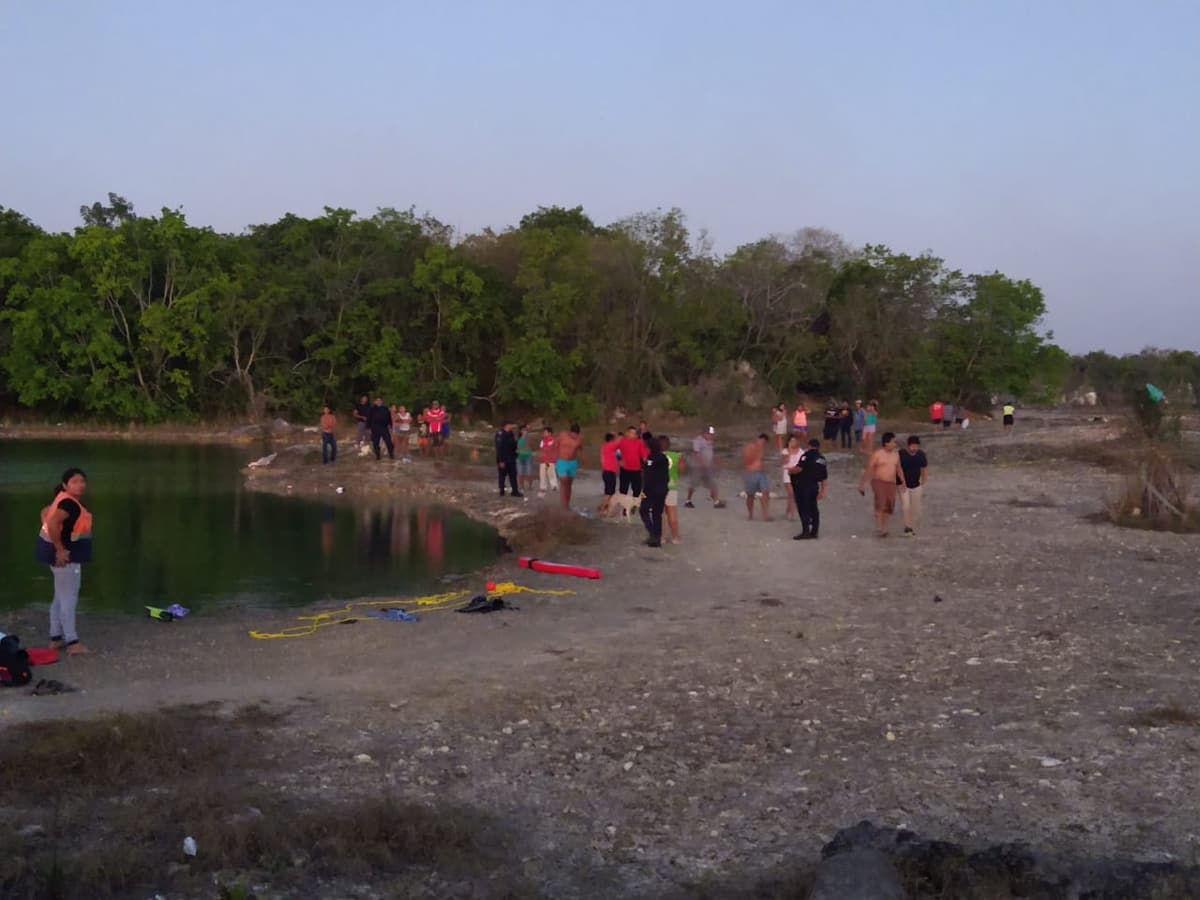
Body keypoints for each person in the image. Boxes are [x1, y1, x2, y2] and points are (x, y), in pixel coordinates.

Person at [36, 468, 93, 655]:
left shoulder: (62, 500)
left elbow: (45, 513)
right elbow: (52, 523)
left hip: (54, 554)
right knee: (69, 598)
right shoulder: (69, 504)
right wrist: (60, 550)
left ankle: (55, 638)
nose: (80, 485)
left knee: (60, 596)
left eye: (82, 481)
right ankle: (72, 642)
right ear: (65, 485)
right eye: (75, 482)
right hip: (66, 558)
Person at [858, 431, 903, 537]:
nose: (894, 444)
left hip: (891, 483)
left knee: (889, 505)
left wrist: (903, 483)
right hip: (878, 482)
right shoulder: (877, 454)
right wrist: (862, 483)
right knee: (880, 502)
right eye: (892, 442)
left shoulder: (896, 455)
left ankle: (885, 527)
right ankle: (879, 527)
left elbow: (899, 469)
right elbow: (869, 469)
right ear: (886, 443)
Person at [790, 438, 828, 540]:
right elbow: (824, 477)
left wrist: (791, 471)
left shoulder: (806, 456)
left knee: (803, 508)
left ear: (809, 446)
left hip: (803, 486)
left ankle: (805, 531)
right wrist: (822, 491)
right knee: (814, 508)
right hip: (814, 486)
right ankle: (814, 531)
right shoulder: (822, 459)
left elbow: (799, 469)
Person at [639, 435, 670, 547]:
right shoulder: (663, 458)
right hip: (662, 489)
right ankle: (656, 538)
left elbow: (648, 477)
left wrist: (644, 491)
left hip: (651, 490)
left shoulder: (651, 459)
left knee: (643, 510)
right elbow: (665, 476)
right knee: (657, 513)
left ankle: (654, 534)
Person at [685, 426, 725, 508]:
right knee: (693, 484)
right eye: (710, 434)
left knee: (713, 484)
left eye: (712, 434)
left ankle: (716, 502)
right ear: (704, 433)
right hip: (697, 467)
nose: (711, 435)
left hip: (707, 467)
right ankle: (688, 500)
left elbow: (710, 452)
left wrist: (715, 461)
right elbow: (697, 453)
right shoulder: (697, 440)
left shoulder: (710, 441)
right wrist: (702, 463)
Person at [899, 435, 928, 536]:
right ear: (908, 446)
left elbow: (924, 469)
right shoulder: (901, 454)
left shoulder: (921, 455)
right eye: (913, 446)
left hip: (916, 485)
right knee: (906, 506)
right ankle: (907, 528)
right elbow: (897, 469)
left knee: (915, 508)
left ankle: (912, 526)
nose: (915, 448)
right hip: (903, 485)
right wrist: (900, 482)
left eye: (916, 446)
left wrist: (923, 483)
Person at [742, 433, 771, 521]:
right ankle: (750, 514)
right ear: (758, 439)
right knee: (750, 495)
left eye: (765, 443)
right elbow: (748, 460)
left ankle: (765, 515)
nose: (763, 444)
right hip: (751, 473)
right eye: (762, 441)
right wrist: (756, 451)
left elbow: (760, 461)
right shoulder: (749, 447)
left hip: (762, 474)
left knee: (765, 492)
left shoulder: (762, 449)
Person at [661, 435, 685, 544]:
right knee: (672, 514)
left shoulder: (653, 456)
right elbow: (681, 471)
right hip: (671, 487)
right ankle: (675, 537)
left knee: (660, 515)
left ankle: (662, 537)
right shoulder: (676, 456)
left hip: (657, 488)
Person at [555, 423, 584, 509]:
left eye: (576, 435)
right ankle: (563, 504)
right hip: (562, 461)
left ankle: (567, 503)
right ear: (570, 432)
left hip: (572, 463)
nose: (574, 437)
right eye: (573, 435)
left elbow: (581, 449)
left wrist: (582, 459)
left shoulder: (579, 439)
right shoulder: (562, 435)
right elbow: (555, 444)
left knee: (569, 484)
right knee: (564, 481)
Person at [617, 426, 648, 498]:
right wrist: (619, 460)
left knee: (637, 490)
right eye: (632, 433)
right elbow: (615, 451)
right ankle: (624, 507)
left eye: (635, 433)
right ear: (627, 433)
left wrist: (647, 464)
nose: (634, 435)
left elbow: (644, 455)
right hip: (625, 469)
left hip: (636, 470)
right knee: (623, 490)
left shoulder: (639, 442)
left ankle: (633, 507)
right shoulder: (621, 441)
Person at [495, 421, 521, 497]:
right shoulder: (500, 434)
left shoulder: (511, 434)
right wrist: (501, 460)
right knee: (502, 475)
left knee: (513, 475)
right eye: (510, 425)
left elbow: (513, 445)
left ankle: (515, 491)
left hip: (511, 458)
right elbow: (499, 448)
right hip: (503, 458)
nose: (512, 426)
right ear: (506, 425)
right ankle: (502, 490)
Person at [782, 434, 803, 521]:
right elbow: (785, 462)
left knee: (793, 495)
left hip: (797, 473)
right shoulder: (785, 451)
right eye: (791, 441)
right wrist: (790, 451)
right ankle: (792, 514)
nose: (793, 443)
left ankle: (788, 511)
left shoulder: (801, 451)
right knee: (791, 493)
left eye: (794, 441)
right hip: (787, 473)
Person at [598, 431, 619, 514]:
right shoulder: (611, 445)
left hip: (606, 471)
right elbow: (620, 441)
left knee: (609, 492)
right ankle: (602, 508)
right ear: (611, 439)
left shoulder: (604, 446)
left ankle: (605, 509)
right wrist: (616, 435)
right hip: (610, 472)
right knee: (610, 493)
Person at [538, 426, 558, 496]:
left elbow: (550, 449)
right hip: (543, 460)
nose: (544, 433)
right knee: (542, 474)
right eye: (544, 432)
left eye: (545, 432)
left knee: (551, 473)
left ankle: (554, 485)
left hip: (550, 460)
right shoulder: (542, 441)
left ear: (550, 433)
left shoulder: (553, 440)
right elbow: (541, 449)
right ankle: (543, 487)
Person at [516, 424, 536, 494]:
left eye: (525, 430)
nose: (524, 431)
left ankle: (530, 486)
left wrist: (527, 433)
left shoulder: (528, 437)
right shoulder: (518, 438)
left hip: (527, 456)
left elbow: (529, 443)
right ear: (520, 431)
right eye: (523, 430)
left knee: (529, 471)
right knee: (520, 472)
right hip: (519, 456)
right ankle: (521, 486)